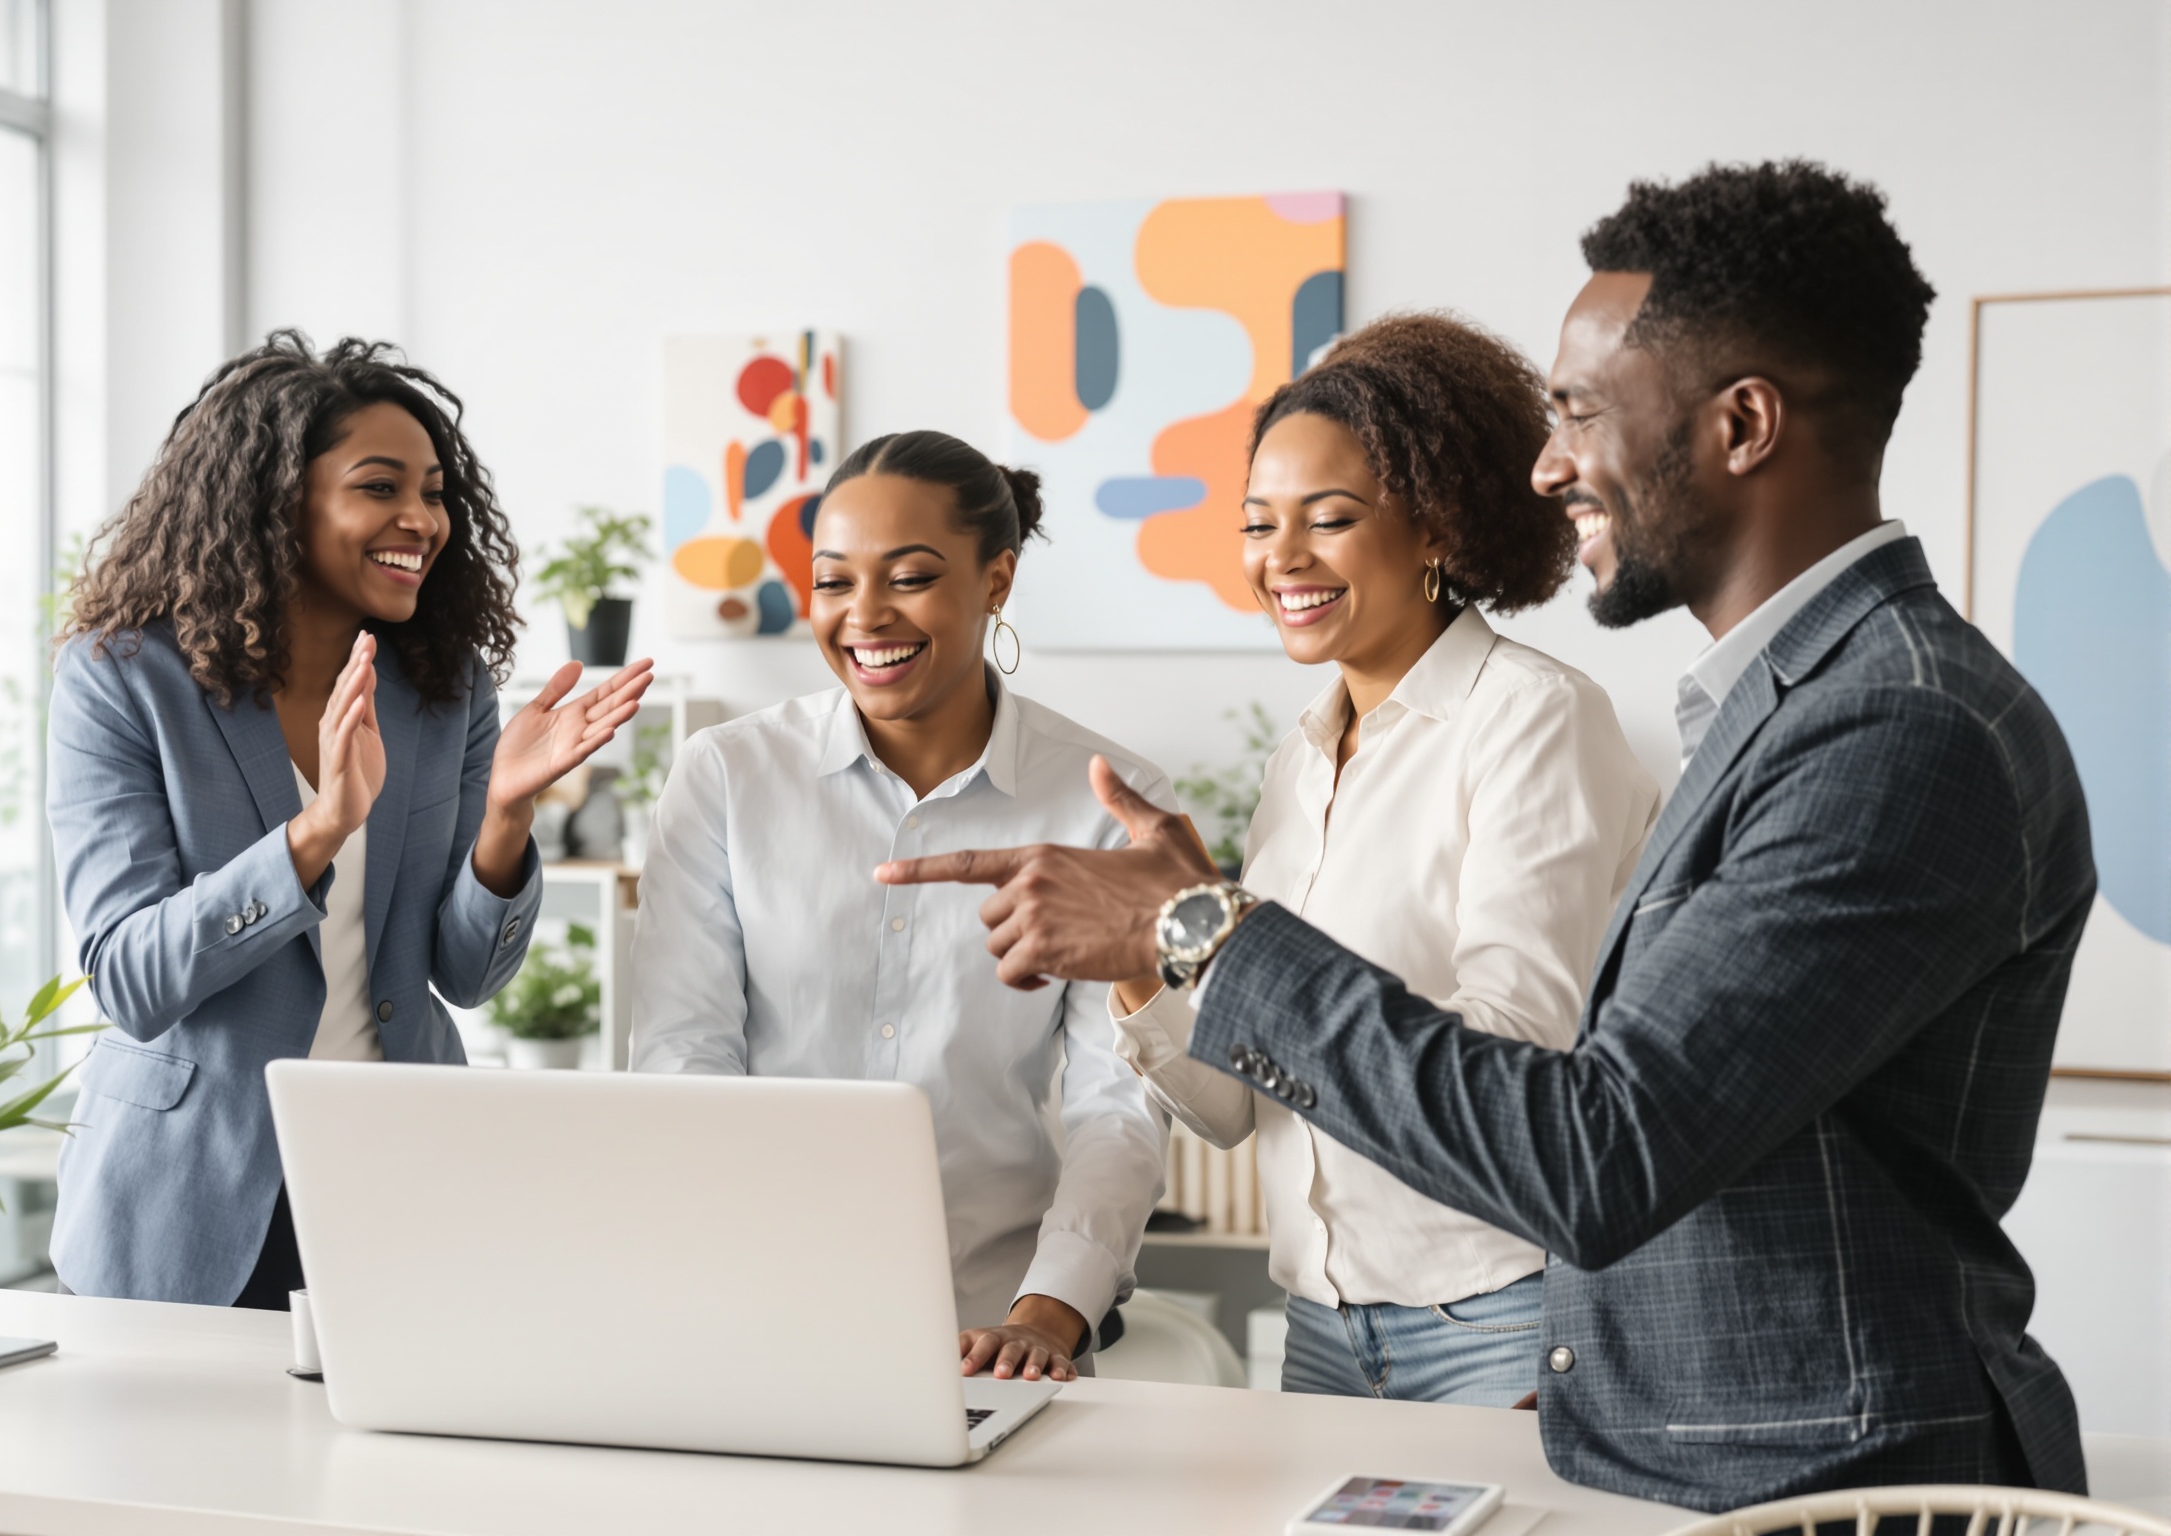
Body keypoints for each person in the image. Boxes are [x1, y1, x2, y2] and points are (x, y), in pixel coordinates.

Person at [879, 161, 2095, 1511]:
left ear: (1743, 423)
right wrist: (1159, 960)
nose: (1549, 462)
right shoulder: (1782, 712)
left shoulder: (1893, 734)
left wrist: (1202, 931)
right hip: (1678, 1437)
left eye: (1578, 411)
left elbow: (1595, 1149)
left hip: (1815, 1482)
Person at [1112, 314, 1659, 1406]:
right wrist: (1138, 955)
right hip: (1317, 1327)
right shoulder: (1296, 764)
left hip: (1499, 1316)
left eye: (1331, 519)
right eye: (1259, 524)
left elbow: (1520, 1056)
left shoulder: (1530, 719)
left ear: (1435, 528)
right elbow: (1229, 1112)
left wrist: (1219, 934)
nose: (1283, 559)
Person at [48, 332, 652, 1308]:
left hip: (398, 1176)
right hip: (186, 1195)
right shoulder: (123, 681)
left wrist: (505, 816)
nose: (421, 518)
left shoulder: (443, 683)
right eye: (380, 487)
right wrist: (315, 832)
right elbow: (131, 976)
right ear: (273, 499)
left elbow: (467, 974)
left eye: (435, 491)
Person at [630, 430, 1165, 1385]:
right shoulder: (727, 775)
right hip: (753, 1315)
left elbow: (1115, 1104)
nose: (865, 616)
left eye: (909, 577)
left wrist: (1046, 1316)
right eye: (834, 582)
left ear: (995, 581)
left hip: (994, 1337)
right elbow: (683, 1056)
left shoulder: (1104, 797)